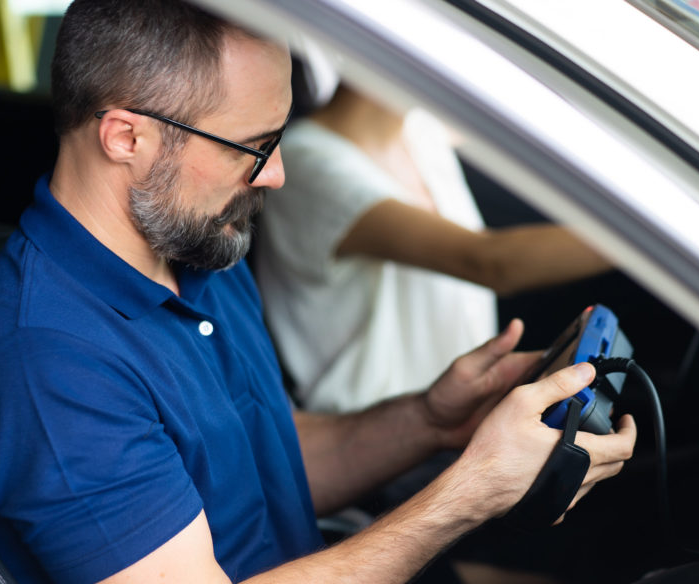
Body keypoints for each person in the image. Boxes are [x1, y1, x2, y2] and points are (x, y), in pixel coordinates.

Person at [0, 2, 636, 584]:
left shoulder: (196, 251)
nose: (278, 173)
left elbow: (256, 454)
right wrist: (469, 491)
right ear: (126, 137)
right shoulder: (45, 360)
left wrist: (427, 421)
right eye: (253, 147)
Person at [255, 83, 611, 413]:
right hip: (381, 444)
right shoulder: (307, 164)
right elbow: (489, 262)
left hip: (463, 412)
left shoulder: (420, 131)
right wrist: (631, 236)